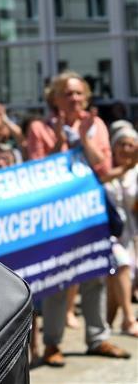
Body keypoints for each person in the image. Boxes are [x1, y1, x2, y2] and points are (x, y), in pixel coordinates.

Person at [27, 71, 129, 366]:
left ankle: (98, 338)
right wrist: (60, 140)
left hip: (90, 209)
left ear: (86, 97)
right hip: (57, 215)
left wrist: (83, 137)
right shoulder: (39, 128)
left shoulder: (95, 124)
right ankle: (52, 344)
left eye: (79, 93)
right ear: (55, 98)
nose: (74, 99)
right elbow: (36, 174)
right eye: (67, 93)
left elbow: (103, 165)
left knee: (96, 273)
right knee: (60, 277)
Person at [102, 127, 138, 337]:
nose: (125, 149)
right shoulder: (105, 169)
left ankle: (106, 322)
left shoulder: (137, 172)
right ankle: (128, 318)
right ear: (113, 148)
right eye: (121, 144)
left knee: (118, 279)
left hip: (129, 232)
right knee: (122, 266)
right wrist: (123, 169)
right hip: (107, 233)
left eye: (130, 145)